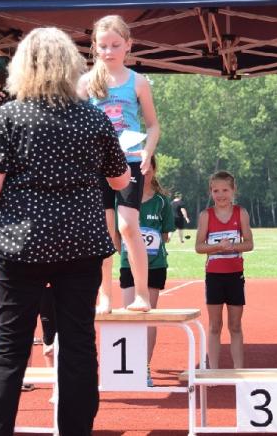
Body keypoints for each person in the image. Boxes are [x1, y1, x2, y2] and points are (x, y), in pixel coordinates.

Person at [0, 27, 130, 436]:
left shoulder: (10, 117)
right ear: (70, 66)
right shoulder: (93, 119)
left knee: (10, 347)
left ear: (22, 68)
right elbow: (120, 180)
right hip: (80, 244)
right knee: (78, 345)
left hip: (22, 243)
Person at [77, 14, 160, 314]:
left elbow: (153, 125)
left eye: (115, 45)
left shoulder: (138, 82)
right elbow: (75, 124)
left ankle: (142, 295)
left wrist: (148, 151)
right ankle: (105, 298)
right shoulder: (86, 82)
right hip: (96, 166)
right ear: (94, 47)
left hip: (129, 162)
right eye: (103, 46)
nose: (109, 51)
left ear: (128, 45)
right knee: (104, 231)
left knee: (127, 226)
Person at [119, 155, 175, 386]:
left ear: (153, 170)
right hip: (127, 265)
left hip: (155, 265)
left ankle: (145, 367)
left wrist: (144, 240)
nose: (143, 175)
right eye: (139, 171)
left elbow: (165, 235)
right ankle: (127, 367)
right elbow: (117, 234)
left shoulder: (162, 202)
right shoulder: (122, 199)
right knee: (127, 317)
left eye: (147, 171)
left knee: (148, 317)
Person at [195, 170, 254, 369]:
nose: (220, 195)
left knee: (235, 326)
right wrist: (217, 247)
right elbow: (199, 247)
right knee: (215, 325)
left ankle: (239, 370)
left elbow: (249, 244)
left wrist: (233, 246)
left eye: (225, 190)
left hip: (235, 276)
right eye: (216, 191)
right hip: (214, 277)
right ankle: (213, 370)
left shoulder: (241, 213)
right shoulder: (206, 215)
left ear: (233, 190)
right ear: (210, 192)